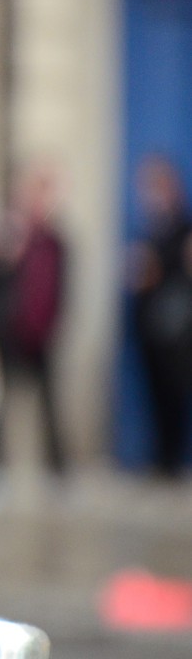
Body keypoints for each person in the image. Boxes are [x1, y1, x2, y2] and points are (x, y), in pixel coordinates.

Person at [0, 164, 66, 476]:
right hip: (9, 332)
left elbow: (58, 287)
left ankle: (56, 467)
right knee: (1, 398)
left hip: (40, 333)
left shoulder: (53, 241)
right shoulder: (4, 238)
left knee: (47, 402)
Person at [131, 155, 192, 478]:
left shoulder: (183, 227)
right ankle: (160, 459)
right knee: (154, 395)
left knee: (174, 396)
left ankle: (172, 461)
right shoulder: (148, 230)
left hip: (178, 329)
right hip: (150, 325)